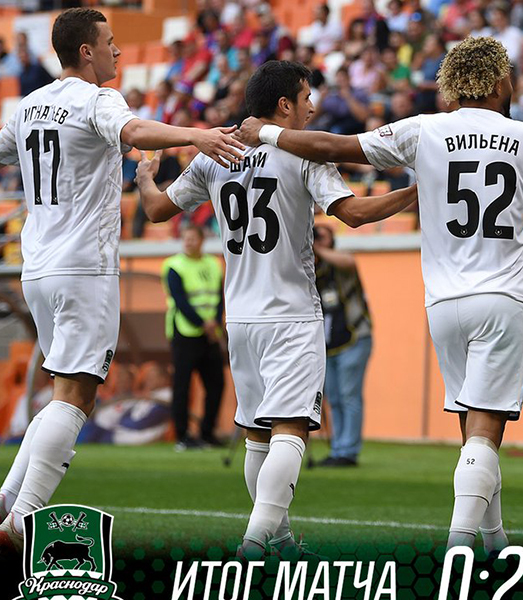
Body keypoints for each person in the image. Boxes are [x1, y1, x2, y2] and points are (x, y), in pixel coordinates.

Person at [235, 37, 523, 551]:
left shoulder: (423, 130)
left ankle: (494, 540)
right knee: (485, 430)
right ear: (500, 82)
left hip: (443, 304)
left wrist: (264, 132)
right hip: (503, 297)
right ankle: (460, 545)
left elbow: (335, 147)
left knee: (473, 427)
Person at [0, 7, 245, 555]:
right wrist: (196, 134)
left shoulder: (29, 105)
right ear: (86, 51)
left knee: (62, 395)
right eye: (110, 41)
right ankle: (20, 522)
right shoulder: (96, 99)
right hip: (83, 268)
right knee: (76, 397)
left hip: (37, 270)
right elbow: (135, 131)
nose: (117, 51)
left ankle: (3, 502)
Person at [136, 60, 418, 559]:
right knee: (290, 431)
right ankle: (253, 544)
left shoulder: (216, 152)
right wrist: (417, 191)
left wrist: (144, 178)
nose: (312, 106)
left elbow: (157, 210)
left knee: (256, 437)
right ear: (284, 105)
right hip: (291, 314)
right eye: (306, 97)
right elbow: (353, 214)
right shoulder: (302, 151)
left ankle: (280, 541)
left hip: (241, 319)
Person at [162, 225, 226, 450]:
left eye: (192, 238)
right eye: (185, 239)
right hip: (185, 333)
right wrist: (203, 323)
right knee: (182, 386)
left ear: (201, 240)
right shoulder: (173, 265)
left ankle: (207, 433)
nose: (188, 242)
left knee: (217, 384)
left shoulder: (214, 264)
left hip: (210, 335)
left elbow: (219, 297)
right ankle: (182, 436)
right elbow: (180, 301)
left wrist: (215, 322)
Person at [313, 224, 373, 467]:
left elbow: (349, 262)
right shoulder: (313, 267)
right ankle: (338, 448)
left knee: (349, 395)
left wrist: (316, 247)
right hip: (328, 344)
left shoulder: (340, 262)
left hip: (355, 337)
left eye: (322, 236)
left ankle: (348, 451)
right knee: (334, 397)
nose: (317, 239)